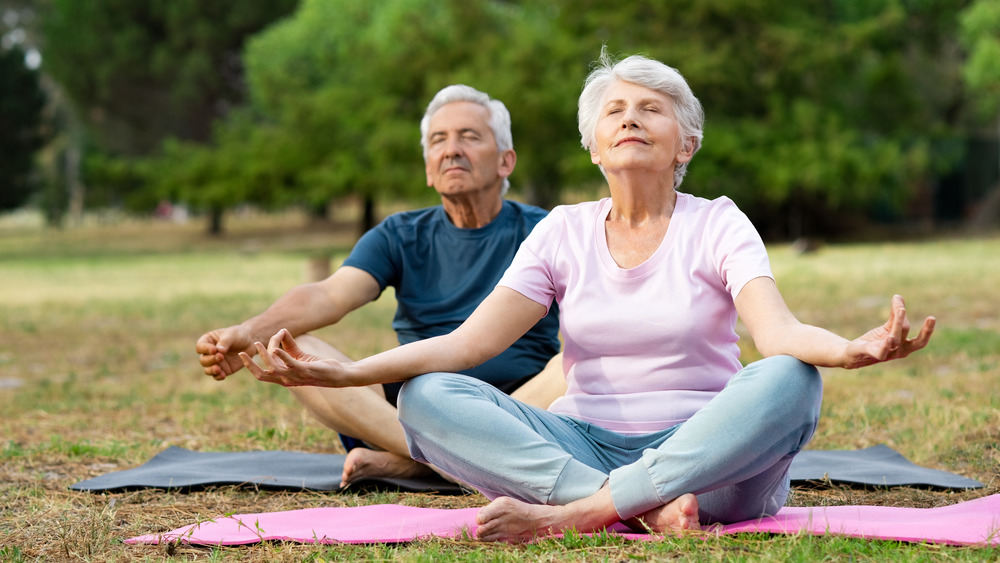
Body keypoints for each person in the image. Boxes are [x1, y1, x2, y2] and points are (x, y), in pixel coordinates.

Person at [238, 52, 936, 543]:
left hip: (710, 461)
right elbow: (467, 346)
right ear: (594, 144)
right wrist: (349, 371)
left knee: (790, 379)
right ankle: (627, 506)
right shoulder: (564, 231)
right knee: (427, 395)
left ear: (684, 140)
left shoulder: (718, 220)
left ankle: (579, 513)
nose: (630, 118)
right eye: (615, 110)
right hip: (585, 447)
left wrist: (850, 348)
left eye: (651, 110)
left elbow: (777, 334)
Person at [196, 84, 563, 487]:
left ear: (505, 161)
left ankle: (416, 464)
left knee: (573, 366)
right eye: (438, 140)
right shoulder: (399, 234)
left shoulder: (547, 230)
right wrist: (250, 332)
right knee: (289, 346)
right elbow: (329, 295)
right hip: (414, 407)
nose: (451, 150)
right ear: (428, 167)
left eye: (469, 137)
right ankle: (455, 462)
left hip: (520, 404)